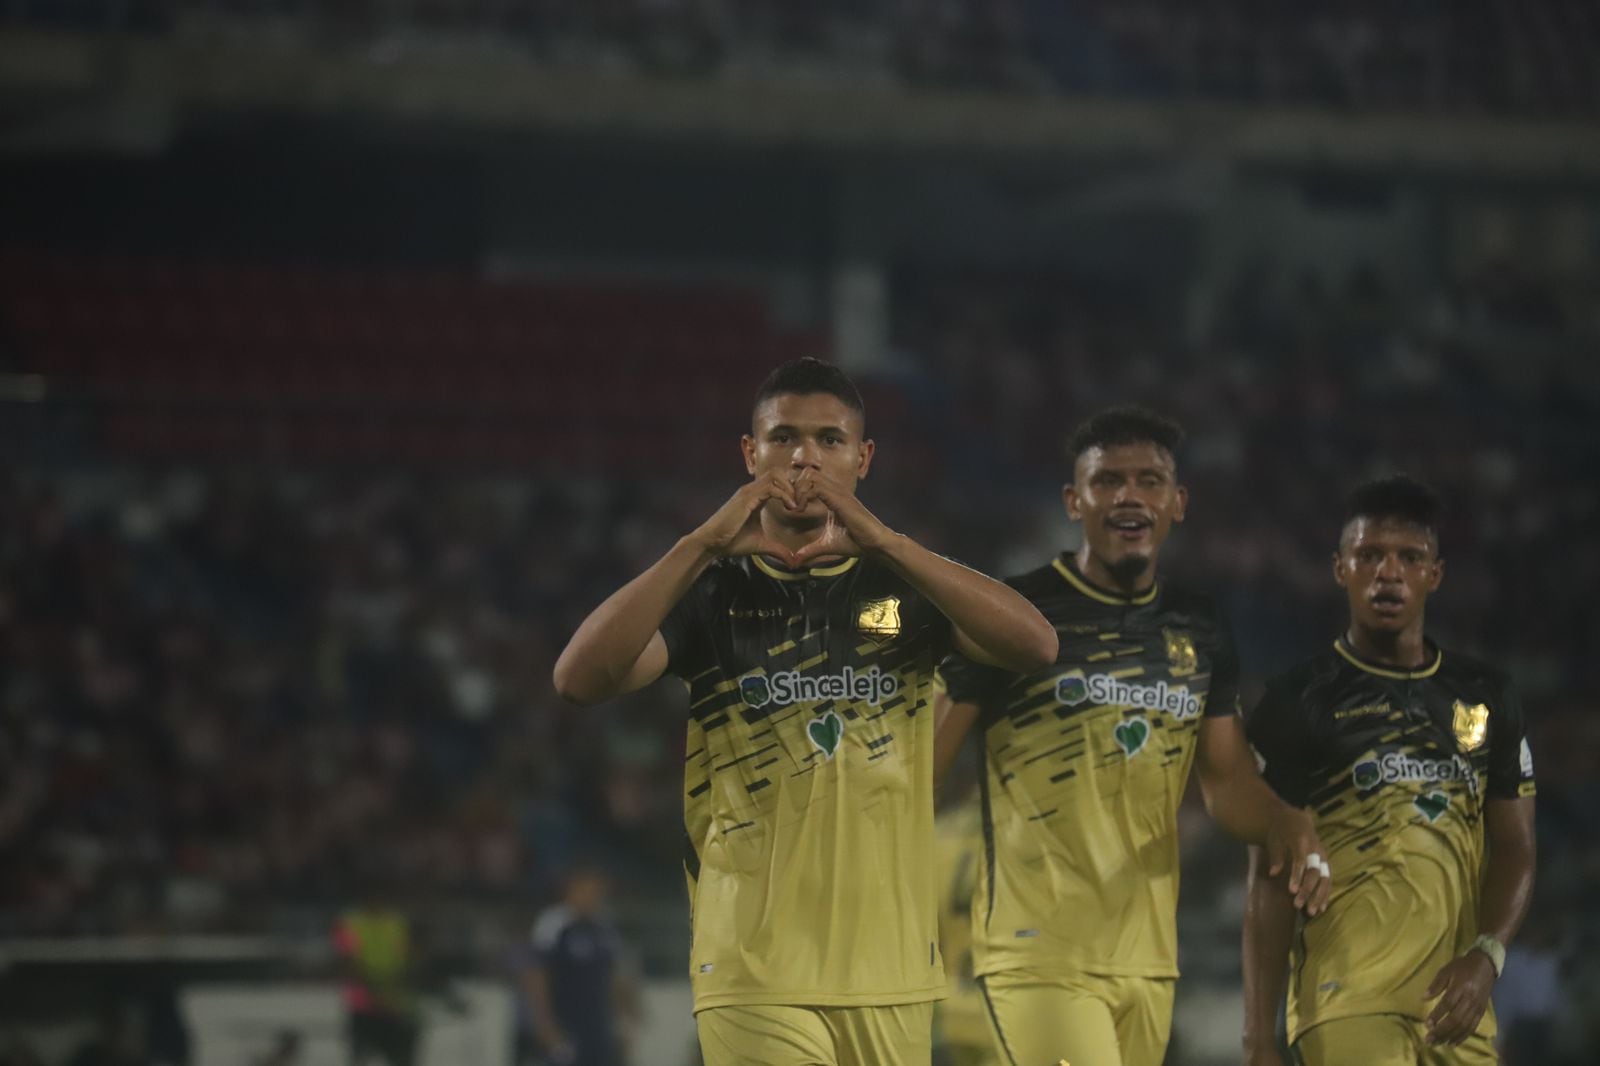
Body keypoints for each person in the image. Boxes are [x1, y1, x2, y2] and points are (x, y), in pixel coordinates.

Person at [553, 357, 1058, 1065]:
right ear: (750, 454)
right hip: (752, 972)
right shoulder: (714, 595)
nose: (804, 458)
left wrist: (887, 542)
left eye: (829, 440)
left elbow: (1035, 645)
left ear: (864, 458)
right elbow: (579, 678)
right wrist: (698, 547)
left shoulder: (902, 596)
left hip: (893, 974)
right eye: (784, 438)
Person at [934, 406, 1329, 1066]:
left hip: (1147, 959)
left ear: (1177, 503)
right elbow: (926, 761)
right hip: (1037, 950)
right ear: (1074, 501)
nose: (1129, 495)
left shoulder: (1199, 628)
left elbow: (1228, 783)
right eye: (1107, 480)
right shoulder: (1017, 615)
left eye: (1149, 481)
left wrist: (1284, 821)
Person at [1242, 475, 1537, 1066]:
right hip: (1345, 1003)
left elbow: (1515, 850)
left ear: (1435, 575)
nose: (1388, 572)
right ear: (1340, 569)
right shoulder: (1298, 700)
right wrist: (1257, 1038)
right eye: (1369, 556)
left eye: (1410, 557)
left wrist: (1487, 955)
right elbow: (1269, 879)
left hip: (1457, 1012)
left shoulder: (1487, 695)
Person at [520, 866, 638, 1066]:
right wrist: (545, 1026)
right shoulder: (553, 924)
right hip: (564, 1026)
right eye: (586, 889)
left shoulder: (605, 927)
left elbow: (617, 980)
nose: (592, 896)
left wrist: (626, 1023)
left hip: (599, 1029)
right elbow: (535, 977)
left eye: (597, 891)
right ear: (571, 889)